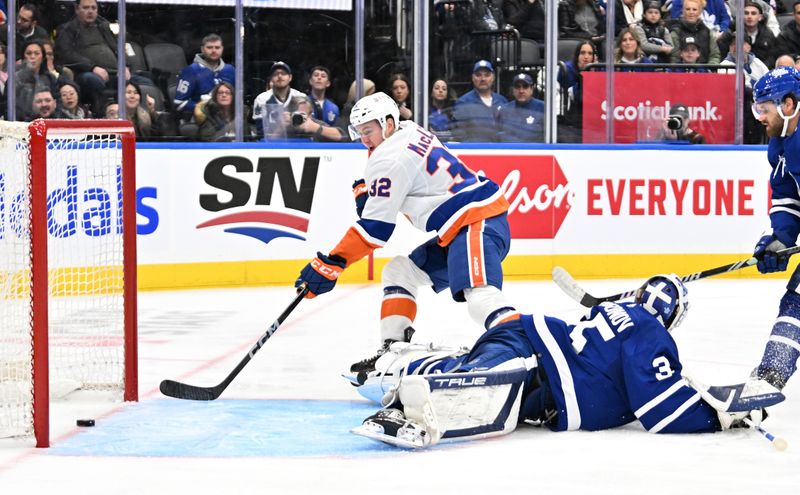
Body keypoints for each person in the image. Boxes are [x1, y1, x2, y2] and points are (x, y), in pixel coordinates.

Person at [351, 275, 766, 448]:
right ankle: (406, 400)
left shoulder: (618, 315)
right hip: (535, 360)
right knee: (490, 383)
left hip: (528, 342)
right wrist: (718, 417)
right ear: (673, 321)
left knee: (489, 383)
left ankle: (406, 367)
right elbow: (660, 409)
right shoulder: (650, 333)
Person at [294, 92, 518, 375]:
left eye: (369, 131)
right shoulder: (409, 129)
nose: (364, 139)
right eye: (360, 132)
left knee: (481, 298)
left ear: (388, 123)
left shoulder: (389, 159)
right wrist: (371, 191)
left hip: (475, 221)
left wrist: (332, 263)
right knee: (400, 272)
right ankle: (393, 351)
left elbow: (375, 231)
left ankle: (529, 348)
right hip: (465, 224)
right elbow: (401, 180)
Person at [745, 66, 800, 394]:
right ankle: (771, 373)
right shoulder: (780, 146)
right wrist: (779, 238)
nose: (759, 117)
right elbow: (787, 199)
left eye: (763, 108)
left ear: (788, 105)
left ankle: (771, 373)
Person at [54, 0, 152, 116]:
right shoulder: (67, 29)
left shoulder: (104, 26)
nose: (90, 11)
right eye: (85, 8)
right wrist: (93, 67)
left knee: (146, 81)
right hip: (87, 73)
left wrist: (125, 66)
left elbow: (119, 47)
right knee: (92, 80)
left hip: (115, 73)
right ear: (76, 9)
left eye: (93, 8)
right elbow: (66, 54)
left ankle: (145, 118)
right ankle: (103, 115)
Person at [174, 33, 235, 123]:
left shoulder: (230, 70)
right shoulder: (191, 71)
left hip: (229, 119)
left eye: (217, 47)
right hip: (201, 121)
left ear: (222, 49)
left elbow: (238, 99)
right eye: (209, 47)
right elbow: (178, 104)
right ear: (202, 49)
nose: (214, 51)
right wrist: (203, 106)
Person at [452, 60, 508, 142]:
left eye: (487, 75)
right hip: (474, 152)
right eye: (478, 75)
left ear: (493, 78)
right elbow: (459, 134)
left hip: (498, 152)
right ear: (472, 78)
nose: (483, 79)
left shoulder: (502, 101)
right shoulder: (463, 102)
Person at [252, 61, 305, 139]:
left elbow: (308, 128)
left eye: (283, 73)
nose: (280, 76)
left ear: (290, 77)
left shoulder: (301, 97)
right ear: (271, 79)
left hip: (298, 144)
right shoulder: (261, 99)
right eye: (276, 74)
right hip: (271, 146)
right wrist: (281, 125)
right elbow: (261, 133)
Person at [557, 40, 598, 143]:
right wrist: (586, 75)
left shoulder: (598, 69)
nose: (586, 57)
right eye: (582, 53)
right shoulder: (567, 69)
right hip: (571, 118)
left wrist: (593, 74)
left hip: (593, 117)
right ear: (577, 55)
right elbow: (576, 96)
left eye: (590, 53)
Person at [717, 1, 777, 70]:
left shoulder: (768, 34)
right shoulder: (730, 33)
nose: (749, 16)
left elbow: (772, 57)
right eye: (746, 13)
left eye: (753, 13)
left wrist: (760, 70)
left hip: (761, 72)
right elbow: (721, 55)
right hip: (733, 70)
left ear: (760, 17)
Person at [15, 40, 63, 121]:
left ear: (43, 58)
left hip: (49, 123)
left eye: (36, 53)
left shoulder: (50, 78)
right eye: (29, 53)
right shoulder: (15, 79)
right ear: (23, 58)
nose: (32, 57)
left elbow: (58, 103)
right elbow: (8, 106)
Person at [496, 73, 545, 142]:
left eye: (525, 86)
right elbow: (497, 137)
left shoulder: (543, 108)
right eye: (517, 87)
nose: (521, 91)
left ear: (532, 89)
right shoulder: (504, 110)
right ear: (513, 90)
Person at [669, 0, 721, 65]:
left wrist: (709, 70)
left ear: (700, 12)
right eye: (688, 9)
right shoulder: (676, 32)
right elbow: (674, 58)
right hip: (681, 72)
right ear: (683, 11)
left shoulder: (707, 32)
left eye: (694, 9)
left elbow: (715, 56)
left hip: (704, 73)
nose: (691, 12)